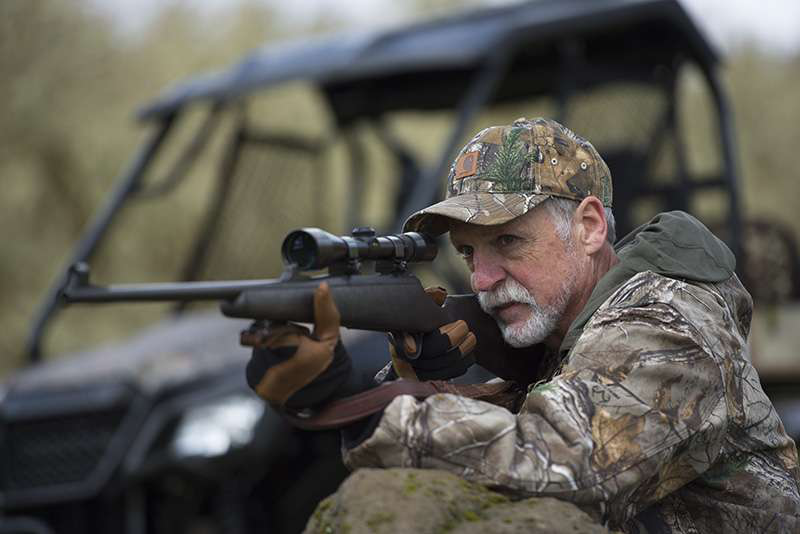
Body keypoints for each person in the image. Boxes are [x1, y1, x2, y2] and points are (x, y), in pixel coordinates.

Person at [246, 117, 800, 532]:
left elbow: (567, 462)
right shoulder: (563, 340)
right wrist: (410, 386)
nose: (483, 279)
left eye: (509, 241)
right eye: (469, 252)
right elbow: (507, 441)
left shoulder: (665, 319)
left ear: (588, 227)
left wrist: (369, 407)